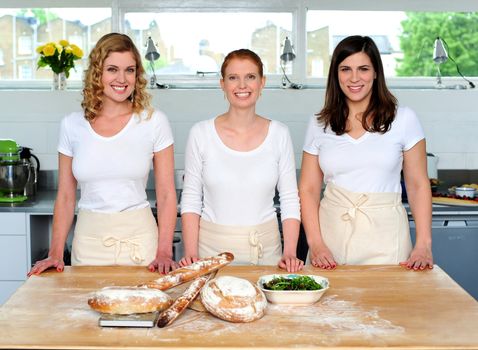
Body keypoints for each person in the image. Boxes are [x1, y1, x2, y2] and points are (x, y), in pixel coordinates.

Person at [28, 33, 178, 276]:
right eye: (112, 69)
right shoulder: (71, 125)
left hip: (141, 242)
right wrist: (55, 253)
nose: (121, 79)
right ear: (97, 73)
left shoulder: (154, 121)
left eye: (129, 70)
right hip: (88, 243)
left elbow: (166, 193)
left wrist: (164, 251)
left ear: (137, 75)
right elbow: (66, 196)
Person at [299, 35, 433, 270]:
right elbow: (308, 189)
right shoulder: (319, 123)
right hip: (331, 241)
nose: (354, 78)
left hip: (387, 238)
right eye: (345, 69)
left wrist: (423, 244)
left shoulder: (404, 119)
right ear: (335, 74)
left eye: (363, 69)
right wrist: (316, 244)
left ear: (376, 73)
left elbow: (418, 185)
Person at [179, 49, 303, 272]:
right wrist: (190, 253)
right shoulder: (201, 133)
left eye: (251, 77)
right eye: (233, 78)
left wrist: (290, 252)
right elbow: (190, 198)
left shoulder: (279, 134)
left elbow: (289, 199)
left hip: (266, 252)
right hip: (210, 253)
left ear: (262, 83)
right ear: (222, 84)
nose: (242, 85)